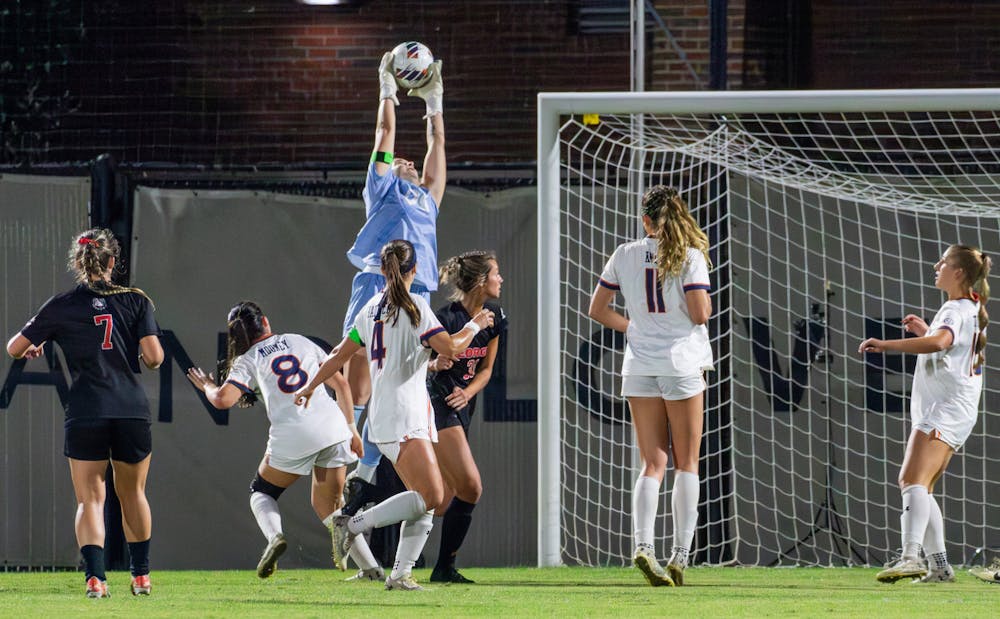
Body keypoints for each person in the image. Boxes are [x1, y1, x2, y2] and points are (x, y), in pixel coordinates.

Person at [294, 240, 493, 591]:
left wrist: (311, 386)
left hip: (392, 413)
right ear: (414, 270)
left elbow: (339, 355)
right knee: (433, 496)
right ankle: (352, 524)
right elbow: (453, 347)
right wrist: (475, 325)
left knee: (425, 500)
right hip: (403, 414)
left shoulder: (371, 308)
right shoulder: (415, 305)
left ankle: (400, 574)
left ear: (384, 270)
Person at [6, 228, 164, 598]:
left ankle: (95, 579)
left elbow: (14, 347)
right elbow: (154, 358)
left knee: (90, 499)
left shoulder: (60, 305)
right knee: (133, 494)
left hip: (86, 410)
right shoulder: (136, 299)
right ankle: (141, 577)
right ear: (112, 261)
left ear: (78, 262)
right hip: (129, 409)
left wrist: (36, 344)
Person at [185, 301, 384, 579]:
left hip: (294, 434)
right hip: (334, 427)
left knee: (262, 492)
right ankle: (373, 570)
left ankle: (275, 537)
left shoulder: (249, 359)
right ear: (265, 322)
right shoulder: (298, 340)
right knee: (331, 509)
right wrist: (352, 429)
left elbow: (222, 400)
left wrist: (207, 385)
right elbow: (340, 384)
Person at [587, 186, 713, 587]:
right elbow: (700, 314)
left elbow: (597, 309)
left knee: (651, 463)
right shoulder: (690, 256)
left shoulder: (625, 253)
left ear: (646, 221)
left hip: (639, 365)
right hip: (680, 363)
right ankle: (680, 555)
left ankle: (643, 546)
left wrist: (634, 328)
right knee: (686, 462)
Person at [341, 49, 446, 494]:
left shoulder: (428, 200)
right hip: (376, 281)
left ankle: (365, 474)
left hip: (416, 291)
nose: (409, 161)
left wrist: (434, 102)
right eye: (400, 160)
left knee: (400, 380)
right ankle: (347, 454)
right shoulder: (382, 189)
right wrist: (387, 88)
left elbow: (437, 146)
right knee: (360, 377)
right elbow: (384, 132)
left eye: (411, 161)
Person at [859, 245, 990, 584]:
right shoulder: (971, 307)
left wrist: (886, 345)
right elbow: (946, 345)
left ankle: (910, 557)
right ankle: (939, 567)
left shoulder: (954, 308)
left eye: (944, 261)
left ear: (958, 272)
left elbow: (940, 343)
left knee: (911, 480)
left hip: (944, 408)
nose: (937, 265)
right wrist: (926, 332)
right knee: (922, 486)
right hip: (956, 408)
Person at [425, 251, 506, 583]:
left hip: (462, 405)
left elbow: (486, 370)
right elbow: (417, 361)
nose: (501, 279)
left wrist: (468, 393)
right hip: (438, 403)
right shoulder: (445, 318)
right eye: (496, 273)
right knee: (471, 487)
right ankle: (444, 568)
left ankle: (361, 517)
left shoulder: (496, 316)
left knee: (441, 501)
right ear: (481, 281)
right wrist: (434, 364)